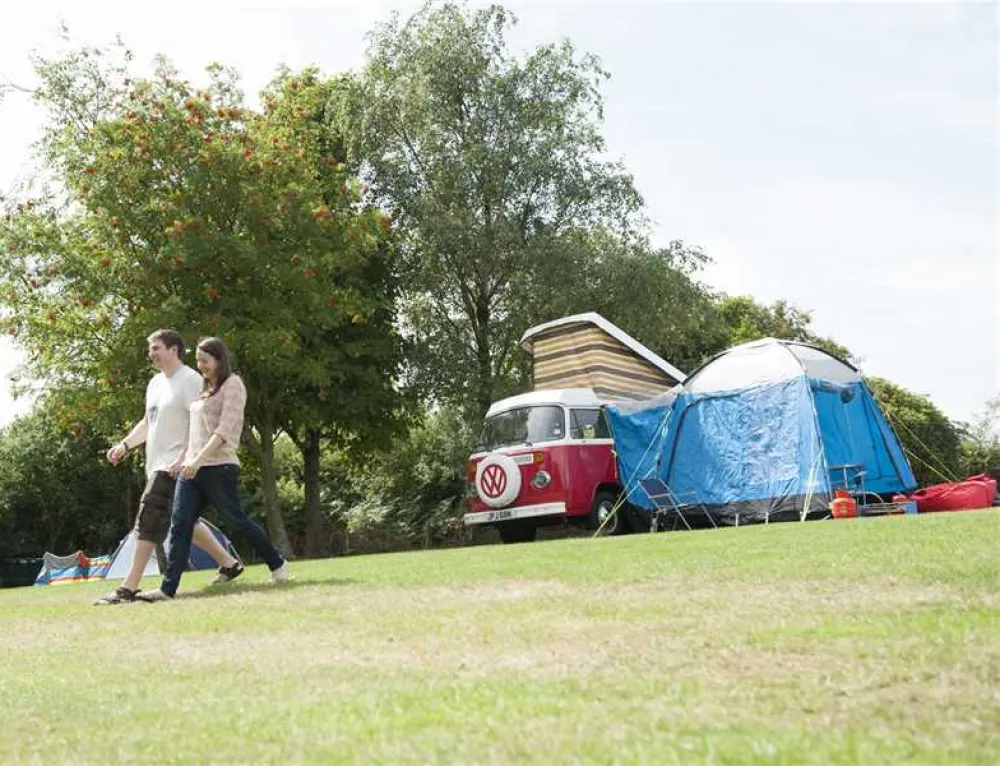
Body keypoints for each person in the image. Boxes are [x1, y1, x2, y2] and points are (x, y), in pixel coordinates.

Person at [95, 330, 245, 606]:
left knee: (149, 517)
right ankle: (229, 563)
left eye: (156, 348)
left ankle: (129, 586)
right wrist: (125, 445)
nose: (150, 353)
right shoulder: (154, 384)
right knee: (184, 520)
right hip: (157, 463)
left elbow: (201, 423)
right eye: (149, 348)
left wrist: (186, 457)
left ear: (174, 349)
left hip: (177, 463)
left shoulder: (191, 380)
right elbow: (148, 422)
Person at [137, 337, 289, 601]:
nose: (201, 366)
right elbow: (193, 433)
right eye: (198, 360)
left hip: (219, 466)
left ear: (219, 359)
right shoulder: (204, 389)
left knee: (237, 522)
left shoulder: (233, 385)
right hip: (191, 469)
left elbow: (224, 430)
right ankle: (167, 589)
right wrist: (183, 460)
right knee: (180, 524)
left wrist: (198, 460)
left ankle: (277, 563)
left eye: (205, 361)